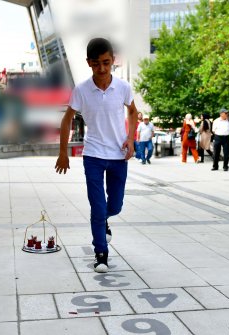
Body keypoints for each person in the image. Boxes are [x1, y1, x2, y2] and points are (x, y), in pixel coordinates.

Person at [55, 38, 138, 273]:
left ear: (113, 61)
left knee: (116, 205)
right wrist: (63, 153)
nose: (101, 69)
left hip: (118, 156)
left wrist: (131, 138)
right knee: (97, 206)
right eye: (96, 63)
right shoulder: (81, 90)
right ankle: (101, 253)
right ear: (88, 63)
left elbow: (133, 112)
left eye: (106, 63)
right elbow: (67, 119)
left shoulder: (123, 87)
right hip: (92, 155)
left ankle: (104, 221)